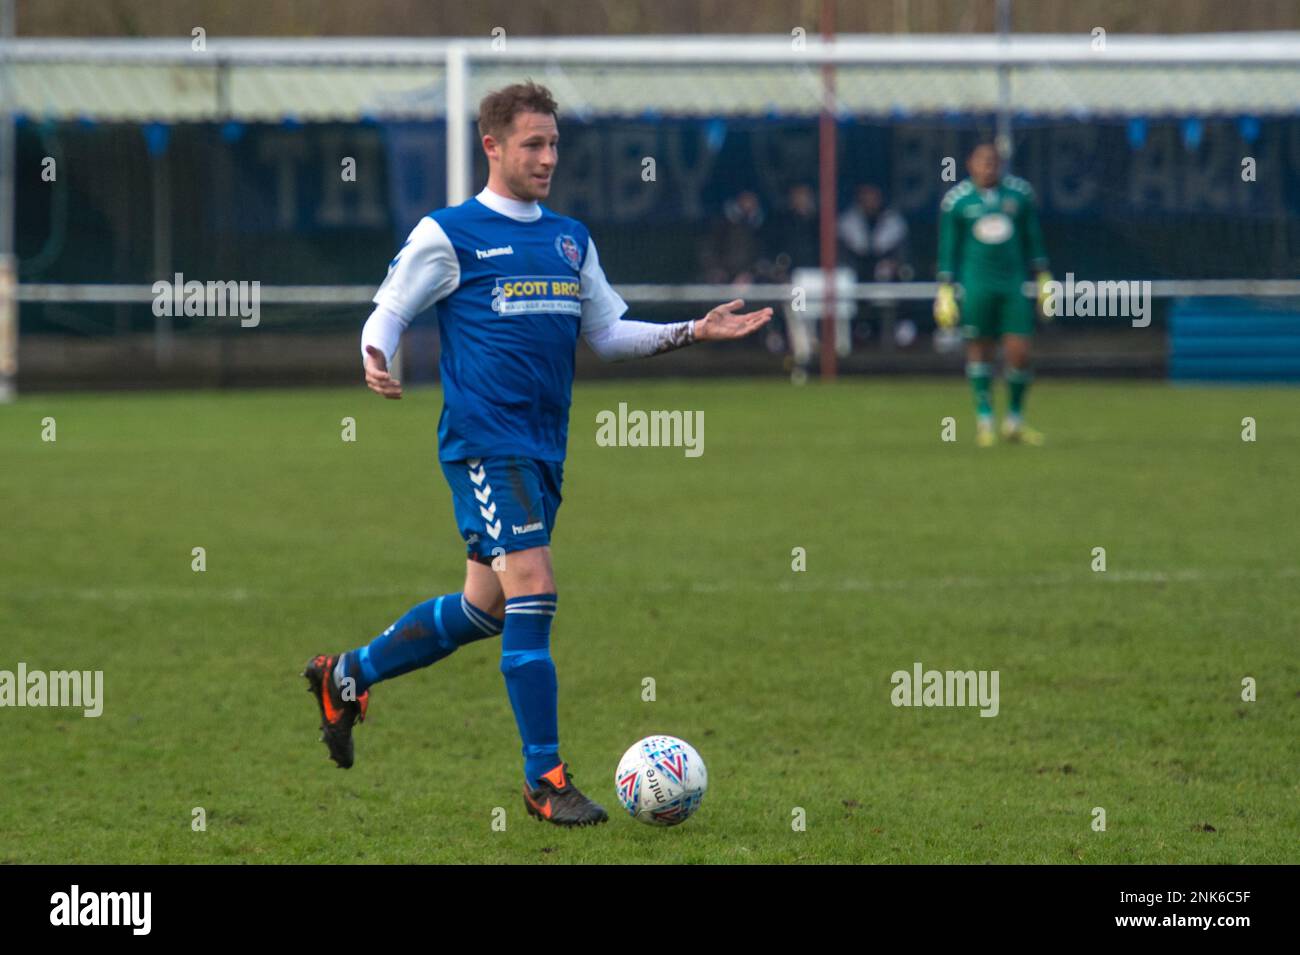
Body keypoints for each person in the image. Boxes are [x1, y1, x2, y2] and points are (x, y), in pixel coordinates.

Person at [302, 82, 771, 827]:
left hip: (544, 451)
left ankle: (347, 676)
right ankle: (543, 778)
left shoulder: (569, 239)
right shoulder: (449, 233)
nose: (548, 157)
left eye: (554, 143)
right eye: (533, 144)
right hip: (484, 446)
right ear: (492, 146)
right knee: (535, 584)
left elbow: (608, 333)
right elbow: (389, 306)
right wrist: (375, 353)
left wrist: (694, 330)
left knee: (482, 608)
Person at [934, 143, 1053, 446]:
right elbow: (949, 248)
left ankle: (1014, 421)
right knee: (980, 350)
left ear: (1000, 164)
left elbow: (1033, 239)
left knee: (1019, 352)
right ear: (970, 164)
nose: (988, 167)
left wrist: (1044, 279)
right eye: (982, 162)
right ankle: (984, 421)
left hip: (1011, 285)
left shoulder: (1019, 196)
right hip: (977, 285)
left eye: (993, 162)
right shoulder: (957, 202)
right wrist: (945, 288)